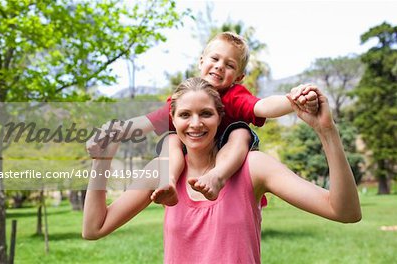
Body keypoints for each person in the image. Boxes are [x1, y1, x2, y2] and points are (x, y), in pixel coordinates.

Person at [83, 77, 361, 263]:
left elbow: (345, 212)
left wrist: (327, 132)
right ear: (173, 119)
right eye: (184, 115)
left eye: (206, 113)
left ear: (220, 117)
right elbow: (94, 228)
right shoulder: (163, 171)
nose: (195, 124)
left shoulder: (253, 167)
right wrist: (102, 161)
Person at [89, 32, 319, 206]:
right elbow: (147, 123)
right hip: (196, 154)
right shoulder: (186, 99)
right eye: (215, 59)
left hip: (228, 156)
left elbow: (262, 106)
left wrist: (292, 101)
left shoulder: (235, 95)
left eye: (229, 65)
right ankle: (168, 182)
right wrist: (114, 131)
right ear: (201, 61)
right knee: (172, 140)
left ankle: (217, 177)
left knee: (240, 133)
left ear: (238, 77)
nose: (219, 66)